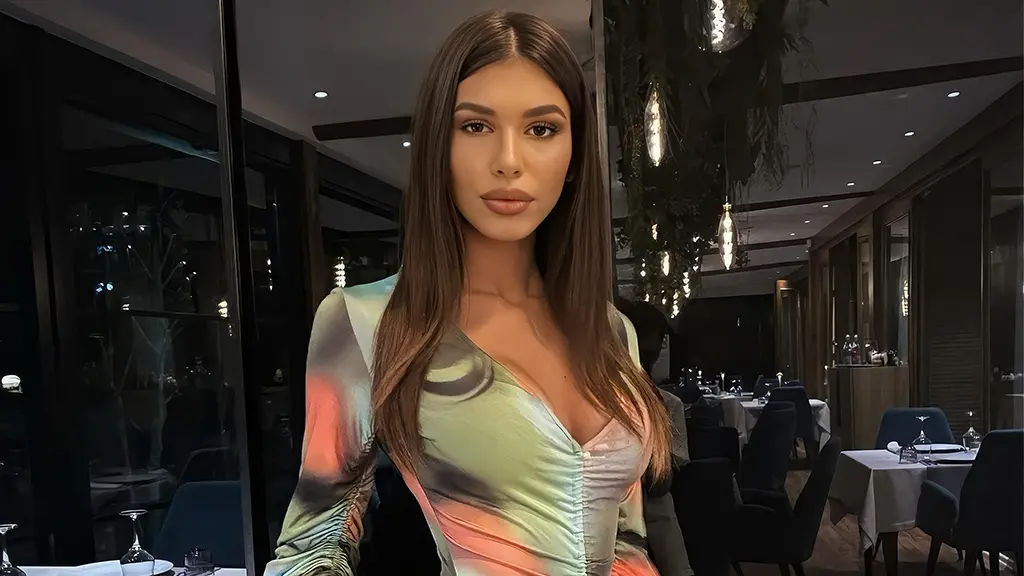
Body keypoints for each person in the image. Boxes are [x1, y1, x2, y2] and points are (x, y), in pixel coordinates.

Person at [266, 10, 673, 576]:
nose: (508, 162)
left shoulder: (609, 331)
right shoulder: (368, 322)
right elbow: (314, 541)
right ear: (439, 145)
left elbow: (627, 538)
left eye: (541, 129)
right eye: (476, 126)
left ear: (575, 157)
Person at [616, 300, 693, 576]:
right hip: (615, 529)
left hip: (658, 523)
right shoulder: (601, 403)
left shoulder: (669, 405)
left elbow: (660, 484)